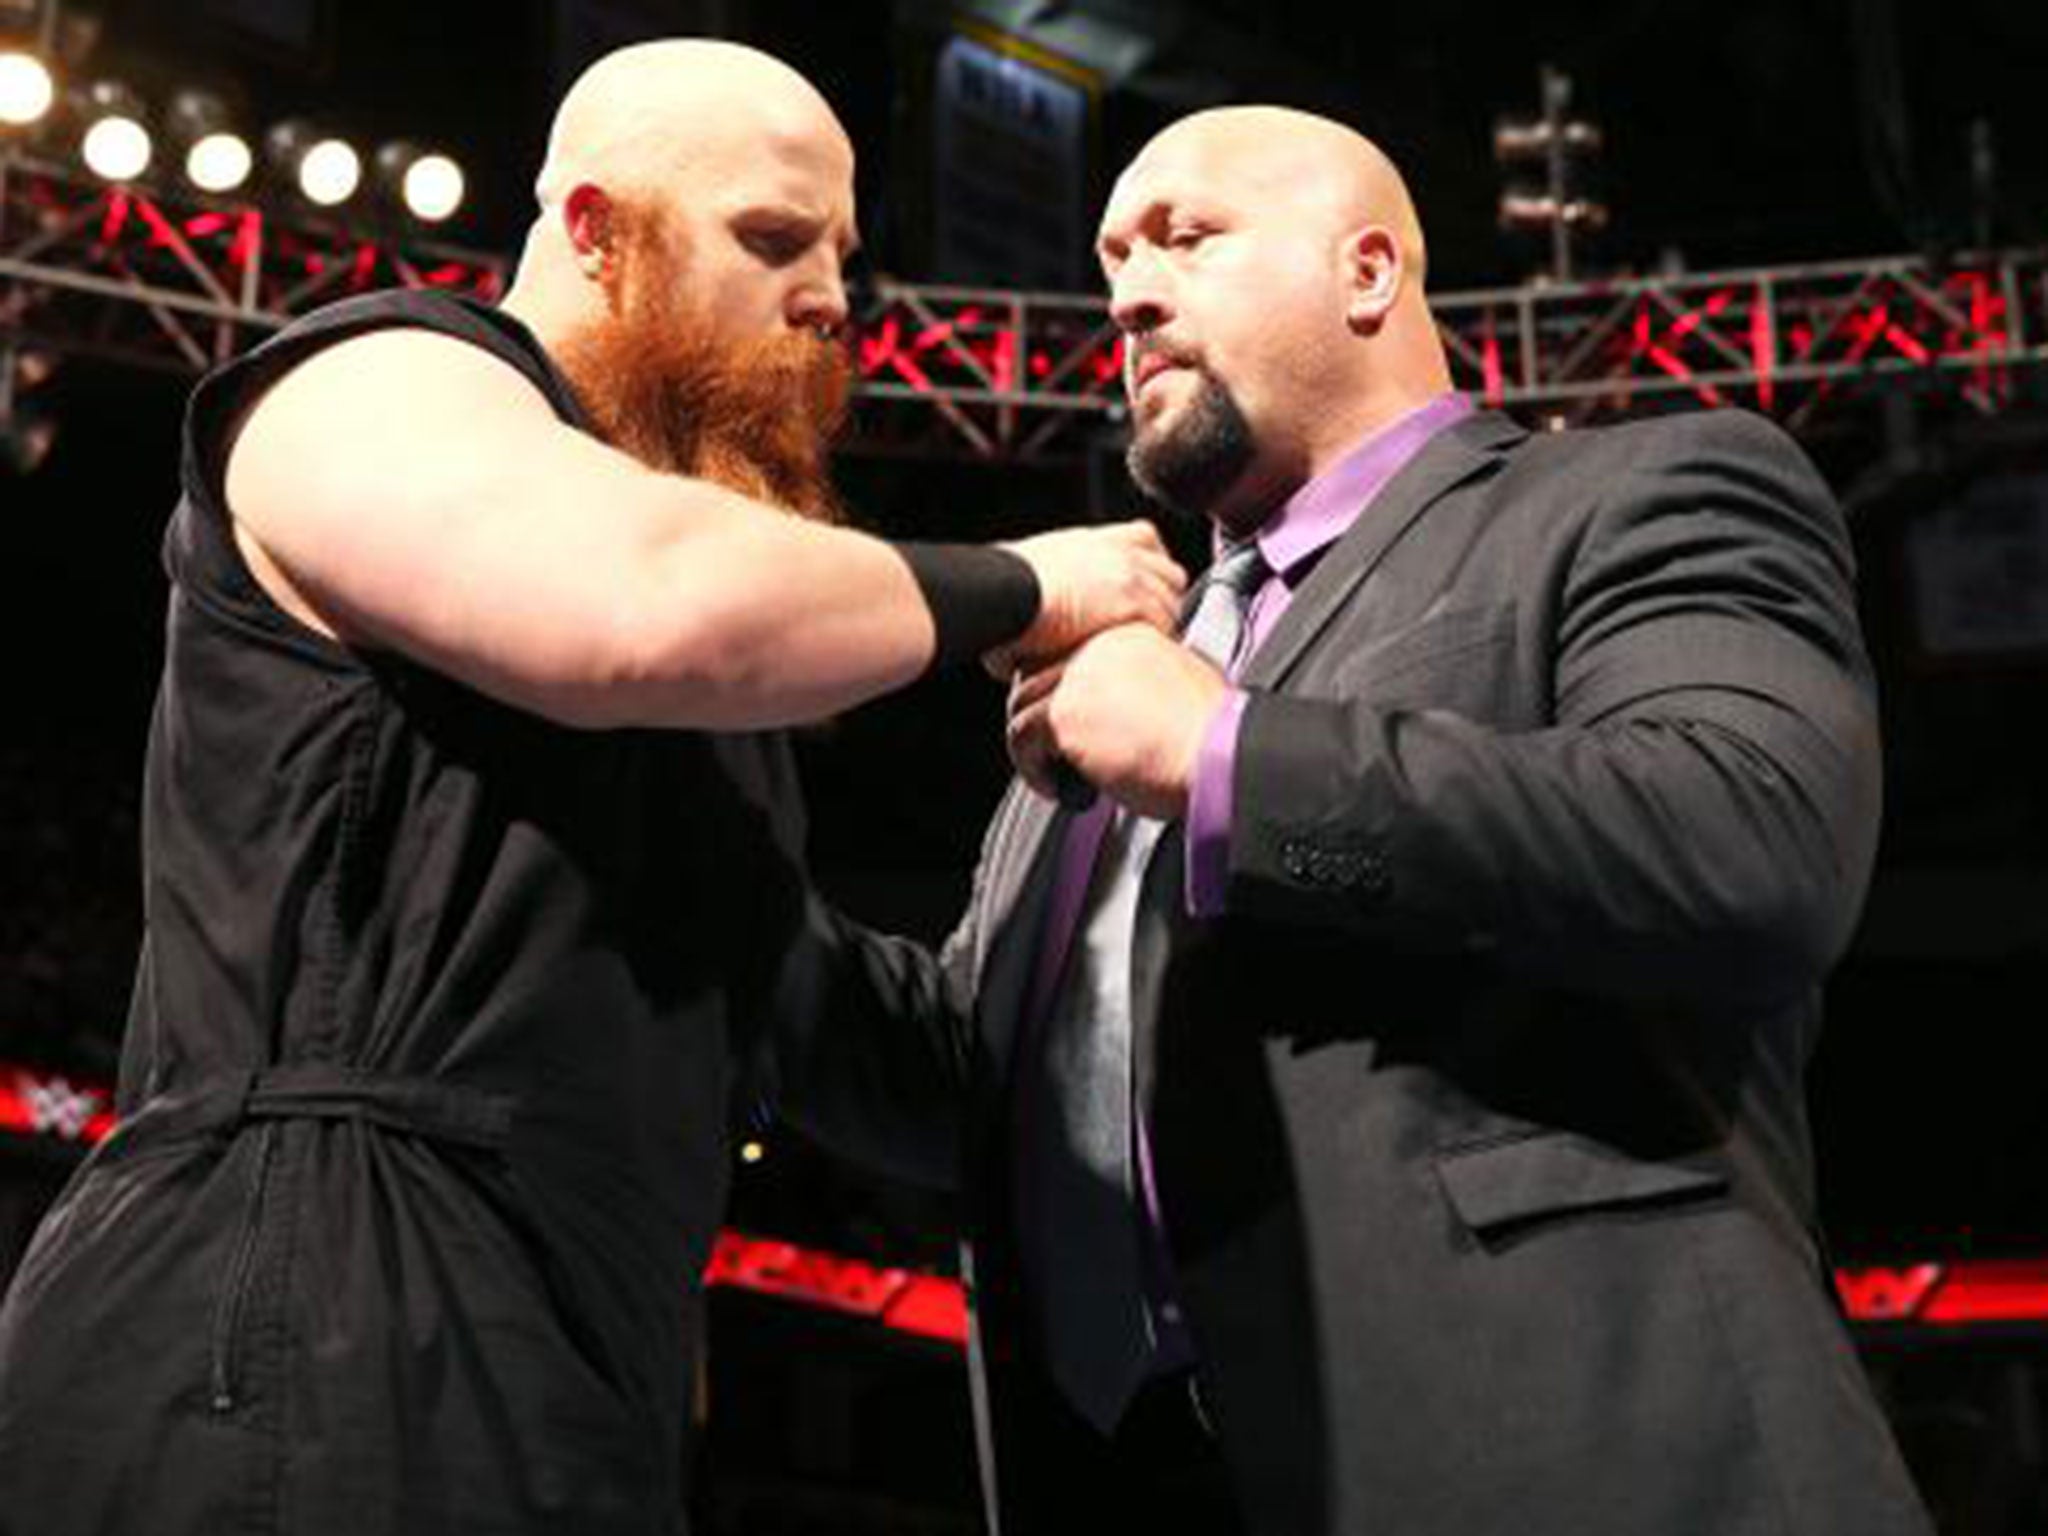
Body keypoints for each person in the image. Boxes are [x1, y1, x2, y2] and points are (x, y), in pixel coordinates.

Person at [0, 39, 1184, 1536]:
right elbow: (641, 607)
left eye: (842, 255)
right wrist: (1026, 586)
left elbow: (885, 1058)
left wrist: (1178, 807)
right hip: (284, 1309)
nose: (831, 294)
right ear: (594, 232)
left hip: (568, 1367)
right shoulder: (373, 376)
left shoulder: (708, 729)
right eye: (772, 238)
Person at [804, 104, 1935, 1536]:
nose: (1129, 294)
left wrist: (1218, 753)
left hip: (1577, 1464)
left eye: (1186, 238)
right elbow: (962, 1077)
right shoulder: (1122, 675)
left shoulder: (1635, 493)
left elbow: (1748, 837)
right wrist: (677, 818)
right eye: (1111, 261)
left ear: (1370, 271)